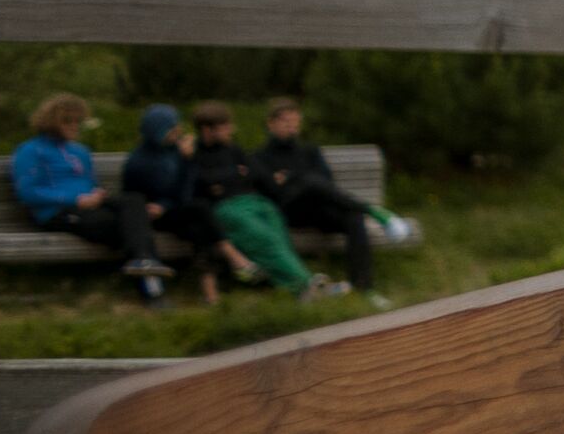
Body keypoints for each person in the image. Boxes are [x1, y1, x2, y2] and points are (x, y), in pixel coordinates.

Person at [5, 93, 158, 293]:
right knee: (128, 225)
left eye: (78, 121)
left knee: (133, 202)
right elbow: (28, 193)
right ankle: (151, 285)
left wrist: (96, 194)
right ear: (51, 122)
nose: (74, 126)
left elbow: (88, 183)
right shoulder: (31, 151)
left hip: (89, 206)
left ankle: (143, 261)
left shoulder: (80, 152)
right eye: (67, 121)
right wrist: (76, 200)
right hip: (58, 212)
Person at [241, 99, 388, 291]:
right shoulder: (258, 157)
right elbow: (268, 192)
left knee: (353, 217)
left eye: (295, 123)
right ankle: (370, 209)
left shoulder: (309, 151)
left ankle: (363, 287)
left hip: (318, 211)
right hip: (287, 213)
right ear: (271, 123)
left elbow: (326, 182)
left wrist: (289, 178)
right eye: (286, 122)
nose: (292, 128)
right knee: (309, 180)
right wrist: (297, 180)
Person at [115, 104, 244, 301]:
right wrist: (160, 205)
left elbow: (185, 193)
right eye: (172, 127)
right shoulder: (139, 162)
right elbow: (134, 198)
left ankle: (211, 294)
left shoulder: (175, 153)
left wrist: (188, 161)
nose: (178, 131)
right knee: (200, 209)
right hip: (153, 218)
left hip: (174, 209)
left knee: (200, 228)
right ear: (158, 130)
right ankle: (233, 255)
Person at [184, 106, 313, 297]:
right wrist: (235, 174)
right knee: (264, 238)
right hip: (226, 208)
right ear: (207, 130)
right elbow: (203, 183)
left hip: (255, 202)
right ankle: (305, 283)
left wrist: (228, 179)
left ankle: (291, 286)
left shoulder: (233, 149)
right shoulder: (194, 155)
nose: (231, 130)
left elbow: (257, 173)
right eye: (224, 126)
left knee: (278, 234)